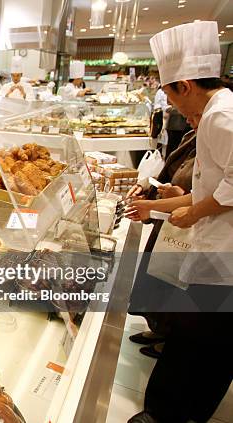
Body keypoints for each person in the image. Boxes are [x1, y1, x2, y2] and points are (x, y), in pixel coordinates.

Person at [125, 21, 233, 423]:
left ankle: (168, 416)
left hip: (225, 258)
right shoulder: (218, 112)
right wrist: (171, 203)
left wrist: (194, 212)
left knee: (205, 345)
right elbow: (215, 186)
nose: (171, 106)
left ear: (184, 86)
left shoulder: (221, 117)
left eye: (170, 94)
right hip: (216, 254)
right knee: (200, 342)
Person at [125, 114, 198, 359]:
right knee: (155, 273)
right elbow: (170, 169)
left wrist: (178, 196)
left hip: (187, 224)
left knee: (173, 280)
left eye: (196, 115)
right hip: (168, 219)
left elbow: (212, 193)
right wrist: (150, 188)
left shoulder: (221, 138)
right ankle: (158, 328)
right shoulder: (194, 134)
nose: (189, 119)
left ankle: (169, 336)